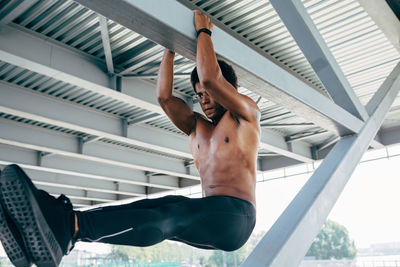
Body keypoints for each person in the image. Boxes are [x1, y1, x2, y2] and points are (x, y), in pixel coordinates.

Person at [0, 10, 260, 267]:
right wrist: (170, 48)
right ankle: (59, 223)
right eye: (199, 95)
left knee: (171, 213)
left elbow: (211, 79)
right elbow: (164, 98)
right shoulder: (196, 128)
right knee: (152, 208)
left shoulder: (245, 116)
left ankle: (71, 227)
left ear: (230, 90)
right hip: (209, 216)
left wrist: (204, 32)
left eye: (208, 94)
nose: (204, 99)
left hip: (236, 217)